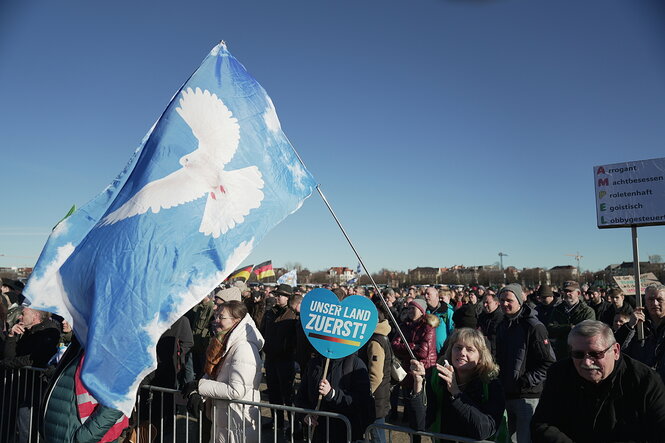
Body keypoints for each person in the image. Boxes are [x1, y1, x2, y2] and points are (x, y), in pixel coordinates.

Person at [532, 320, 665, 442]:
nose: (587, 362)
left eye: (596, 354)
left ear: (616, 351)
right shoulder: (559, 374)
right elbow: (542, 424)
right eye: (578, 354)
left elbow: (659, 431)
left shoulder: (645, 380)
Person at [408, 328, 505, 441]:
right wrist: (418, 385)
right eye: (458, 348)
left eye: (470, 349)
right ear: (450, 351)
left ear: (480, 357)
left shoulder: (491, 384)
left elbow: (483, 431)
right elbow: (420, 424)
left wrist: (456, 393)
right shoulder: (438, 379)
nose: (462, 353)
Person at [187, 300, 264, 443]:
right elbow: (218, 376)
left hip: (237, 422)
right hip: (224, 418)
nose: (216, 320)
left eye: (221, 317)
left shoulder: (244, 348)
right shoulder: (227, 343)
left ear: (236, 320)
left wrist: (201, 386)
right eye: (216, 316)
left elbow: (236, 390)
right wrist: (199, 391)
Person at [495, 283, 555, 443]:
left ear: (519, 301)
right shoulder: (502, 325)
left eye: (509, 300)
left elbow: (549, 362)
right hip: (507, 393)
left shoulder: (534, 327)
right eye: (501, 300)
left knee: (526, 439)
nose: (504, 304)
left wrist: (527, 380)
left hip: (528, 396)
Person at [41, 337, 129, 443]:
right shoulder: (80, 342)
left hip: (84, 436)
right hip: (58, 433)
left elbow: (115, 402)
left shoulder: (112, 348)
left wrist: (84, 438)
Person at [295, 352, 374, 442]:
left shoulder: (355, 364)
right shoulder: (314, 363)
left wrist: (332, 394)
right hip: (317, 434)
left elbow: (361, 401)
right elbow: (300, 397)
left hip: (345, 435)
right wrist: (305, 415)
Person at [260, 283, 295, 429]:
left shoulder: (293, 315)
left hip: (285, 360)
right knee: (273, 393)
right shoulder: (269, 313)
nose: (278, 297)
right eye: (277, 294)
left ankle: (293, 424)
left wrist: (288, 350)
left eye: (281, 295)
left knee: (288, 394)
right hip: (271, 359)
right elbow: (263, 331)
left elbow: (295, 339)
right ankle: (277, 421)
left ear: (288, 298)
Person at [615, 284, 665, 382]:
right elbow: (617, 348)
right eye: (651, 299)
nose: (655, 303)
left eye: (660, 299)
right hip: (642, 382)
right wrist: (629, 326)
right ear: (645, 301)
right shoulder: (637, 324)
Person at [359, 301, 393, 443]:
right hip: (379, 395)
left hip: (376, 397)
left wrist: (367, 394)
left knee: (377, 435)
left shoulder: (375, 341)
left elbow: (376, 375)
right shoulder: (378, 336)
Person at [546, 280, 595, 360]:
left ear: (578, 293)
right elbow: (550, 329)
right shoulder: (557, 310)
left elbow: (588, 332)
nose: (567, 294)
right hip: (561, 353)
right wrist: (569, 327)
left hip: (581, 353)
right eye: (565, 291)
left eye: (570, 291)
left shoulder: (588, 311)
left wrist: (562, 329)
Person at [424, 287, 454, 354]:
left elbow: (453, 332)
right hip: (426, 353)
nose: (426, 296)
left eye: (428, 294)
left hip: (443, 353)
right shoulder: (424, 312)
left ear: (436, 296)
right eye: (425, 294)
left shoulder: (447, 311)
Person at [478, 292, 504, 357]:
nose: (485, 305)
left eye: (487, 303)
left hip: (497, 353)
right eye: (484, 303)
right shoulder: (482, 316)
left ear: (496, 303)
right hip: (484, 352)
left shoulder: (502, 318)